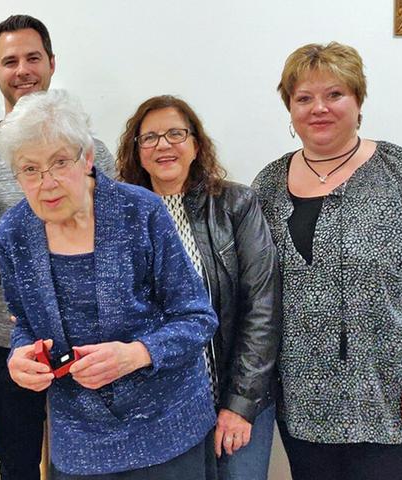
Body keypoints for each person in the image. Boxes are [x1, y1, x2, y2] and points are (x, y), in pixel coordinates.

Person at [0, 89, 218, 479]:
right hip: (80, 443)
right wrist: (21, 358)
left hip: (166, 429)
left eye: (58, 162)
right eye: (29, 170)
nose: (46, 182)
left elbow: (197, 317)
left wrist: (136, 354)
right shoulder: (14, 231)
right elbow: (25, 323)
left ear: (86, 158)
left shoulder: (140, 210)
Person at [252, 41, 402, 480]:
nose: (319, 108)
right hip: (304, 406)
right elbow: (257, 293)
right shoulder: (268, 185)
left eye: (334, 94)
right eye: (304, 98)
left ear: (358, 100)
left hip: (392, 402)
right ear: (290, 109)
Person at [0, 14, 115, 479]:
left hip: (92, 339)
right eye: (10, 61)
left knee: (94, 461)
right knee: (19, 459)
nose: (23, 70)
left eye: (33, 58)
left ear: (51, 63)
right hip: (10, 340)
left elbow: (113, 241)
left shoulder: (92, 150)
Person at [116, 95, 281, 480]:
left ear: (195, 144)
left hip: (236, 394)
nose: (163, 145)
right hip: (164, 409)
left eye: (175, 133)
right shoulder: (123, 217)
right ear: (136, 152)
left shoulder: (236, 204)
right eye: (150, 138)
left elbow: (262, 306)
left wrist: (239, 404)